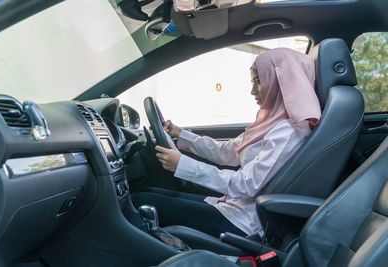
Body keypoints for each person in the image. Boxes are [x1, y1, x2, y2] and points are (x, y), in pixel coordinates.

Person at [133, 48, 321, 238]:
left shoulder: (289, 132)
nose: (252, 90)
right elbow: (230, 151)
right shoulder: (273, 123)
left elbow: (247, 185)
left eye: (259, 81)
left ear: (281, 82)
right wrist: (181, 135)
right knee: (148, 193)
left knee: (143, 200)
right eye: (253, 81)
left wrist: (183, 164)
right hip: (234, 206)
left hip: (243, 222)